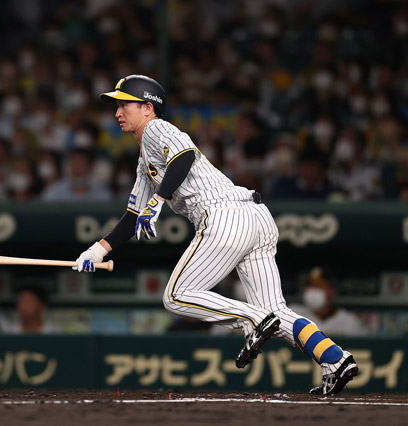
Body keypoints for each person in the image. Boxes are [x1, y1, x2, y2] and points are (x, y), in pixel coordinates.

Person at [73, 75, 358, 395]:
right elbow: (132, 217)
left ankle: (251, 320)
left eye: (124, 104)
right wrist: (98, 250)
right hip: (255, 218)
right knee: (276, 312)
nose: (117, 112)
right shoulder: (145, 162)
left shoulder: (155, 128)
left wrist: (159, 199)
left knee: (177, 296)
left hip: (225, 216)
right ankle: (335, 359)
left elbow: (184, 157)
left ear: (148, 108)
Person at [289, 267, 366, 336]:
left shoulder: (349, 321)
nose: (312, 290)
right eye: (310, 285)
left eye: (318, 286)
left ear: (332, 291)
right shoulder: (293, 314)